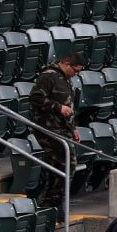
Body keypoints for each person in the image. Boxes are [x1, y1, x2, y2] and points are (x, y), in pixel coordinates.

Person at [29, 50, 85, 206]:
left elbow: (68, 104)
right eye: (75, 70)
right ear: (67, 64)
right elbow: (35, 97)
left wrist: (73, 127)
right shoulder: (49, 76)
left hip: (62, 127)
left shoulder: (65, 78)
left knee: (57, 165)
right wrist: (58, 107)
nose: (76, 74)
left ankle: (50, 202)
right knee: (68, 163)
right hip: (48, 127)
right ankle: (54, 202)